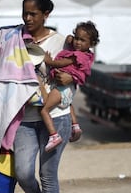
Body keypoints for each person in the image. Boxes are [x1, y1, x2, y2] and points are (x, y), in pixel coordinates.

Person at [0, 0, 74, 193]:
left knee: (47, 175)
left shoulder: (61, 42)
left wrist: (69, 78)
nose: (27, 18)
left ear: (46, 14)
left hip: (56, 117)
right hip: (25, 117)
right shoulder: (14, 39)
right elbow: (4, 80)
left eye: (33, 14)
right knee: (24, 172)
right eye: (24, 13)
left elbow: (79, 72)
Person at [42, 21, 99, 152]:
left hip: (62, 88)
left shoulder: (77, 56)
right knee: (68, 105)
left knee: (45, 110)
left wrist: (48, 60)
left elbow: (61, 63)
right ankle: (75, 125)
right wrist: (70, 38)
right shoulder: (87, 55)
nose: (77, 42)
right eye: (77, 38)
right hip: (69, 91)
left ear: (91, 43)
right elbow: (71, 40)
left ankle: (53, 135)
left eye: (82, 40)